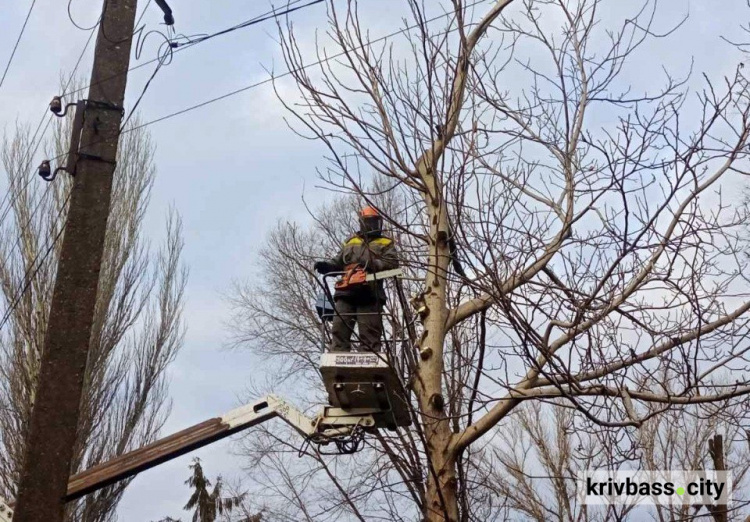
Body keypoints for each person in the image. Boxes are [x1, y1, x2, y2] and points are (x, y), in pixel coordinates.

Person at [314, 206, 399, 352]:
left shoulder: (386, 243)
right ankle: (338, 355)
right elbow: (337, 262)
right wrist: (327, 267)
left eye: (375, 221)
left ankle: (370, 358)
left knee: (370, 331)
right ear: (363, 222)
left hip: (370, 293)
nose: (373, 225)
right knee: (339, 327)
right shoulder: (350, 242)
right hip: (346, 292)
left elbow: (393, 264)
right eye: (370, 221)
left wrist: (374, 264)